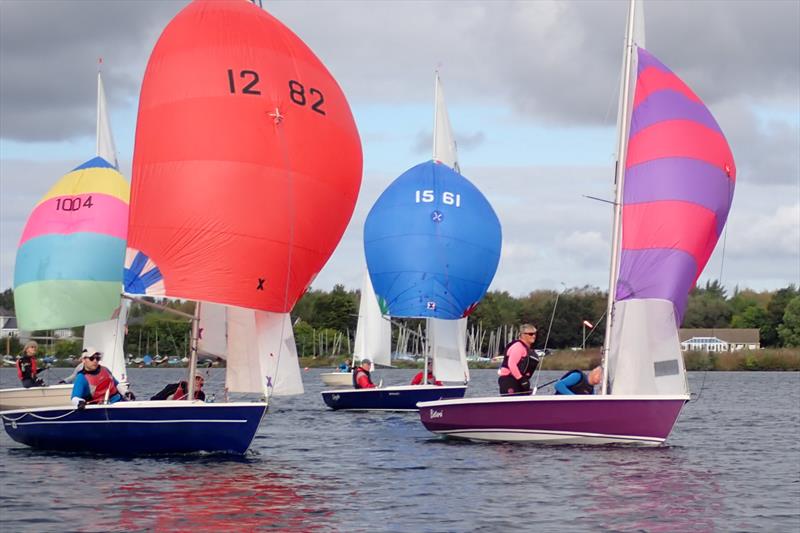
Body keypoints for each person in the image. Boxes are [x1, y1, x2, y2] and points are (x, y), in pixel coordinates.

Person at [497, 325, 540, 395]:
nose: (534, 336)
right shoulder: (518, 347)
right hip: (509, 380)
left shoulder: (526, 348)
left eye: (535, 334)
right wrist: (521, 379)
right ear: (522, 335)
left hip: (519, 381)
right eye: (530, 334)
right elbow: (511, 364)